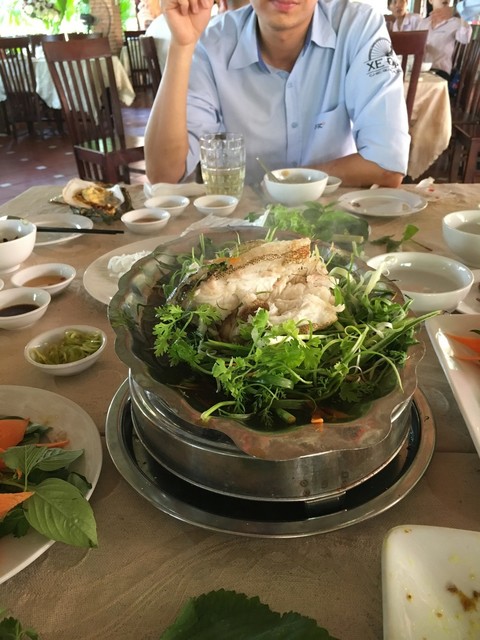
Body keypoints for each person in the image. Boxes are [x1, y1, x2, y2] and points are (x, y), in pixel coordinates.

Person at [145, 0, 410, 188]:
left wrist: (280, 185)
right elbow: (163, 175)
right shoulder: (211, 42)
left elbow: (387, 164)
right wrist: (182, 45)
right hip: (242, 232)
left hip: (335, 223)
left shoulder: (357, 26)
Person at [418, 0, 472, 78]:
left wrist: (462, 15)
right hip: (421, 70)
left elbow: (465, 39)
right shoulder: (423, 23)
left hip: (440, 71)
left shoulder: (455, 22)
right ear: (430, 1)